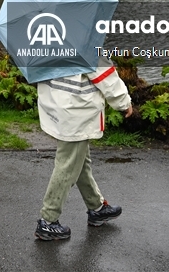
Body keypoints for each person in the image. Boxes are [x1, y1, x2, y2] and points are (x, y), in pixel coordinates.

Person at [34, 61, 134, 241]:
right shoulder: (85, 36)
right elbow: (103, 73)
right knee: (68, 165)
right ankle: (48, 221)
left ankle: (96, 208)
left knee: (80, 161)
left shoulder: (50, 33)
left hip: (56, 103)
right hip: (77, 107)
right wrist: (123, 101)